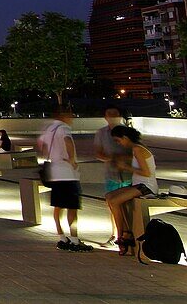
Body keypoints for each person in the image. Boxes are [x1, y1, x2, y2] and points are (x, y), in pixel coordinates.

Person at [37, 105, 92, 252]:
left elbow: (41, 144)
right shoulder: (64, 128)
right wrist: (72, 160)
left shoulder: (50, 128)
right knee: (72, 208)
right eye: (70, 114)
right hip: (67, 174)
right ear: (64, 115)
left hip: (54, 174)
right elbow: (67, 141)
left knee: (58, 207)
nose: (72, 117)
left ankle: (61, 238)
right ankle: (74, 240)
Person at [105, 125, 159, 255]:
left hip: (146, 186)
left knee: (114, 201)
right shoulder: (137, 148)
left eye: (119, 141)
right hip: (139, 185)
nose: (119, 144)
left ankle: (122, 235)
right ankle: (126, 232)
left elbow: (146, 172)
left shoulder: (137, 149)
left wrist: (127, 168)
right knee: (109, 197)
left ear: (125, 137)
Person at [93, 104, 131, 244]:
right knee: (112, 204)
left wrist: (122, 160)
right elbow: (98, 152)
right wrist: (112, 158)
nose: (112, 117)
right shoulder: (101, 133)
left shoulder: (129, 131)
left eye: (115, 114)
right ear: (105, 117)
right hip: (111, 174)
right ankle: (115, 234)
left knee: (128, 205)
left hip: (128, 175)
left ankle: (128, 232)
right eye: (110, 114)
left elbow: (137, 152)